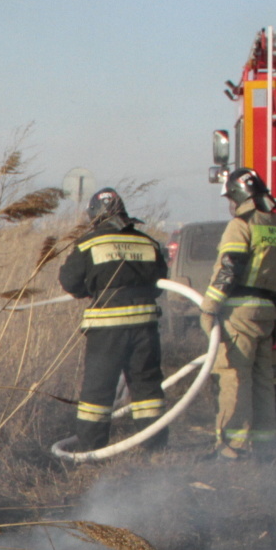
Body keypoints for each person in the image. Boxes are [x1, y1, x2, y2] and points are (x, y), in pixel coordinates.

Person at [58, 188, 168, 452]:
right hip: (145, 328)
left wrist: (93, 290)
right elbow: (159, 285)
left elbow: (70, 282)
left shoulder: (88, 243)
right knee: (146, 387)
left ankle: (91, 446)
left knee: (98, 388)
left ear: (95, 215)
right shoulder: (148, 242)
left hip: (106, 329)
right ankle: (154, 445)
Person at [200, 168, 276, 459]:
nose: (230, 203)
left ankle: (232, 447)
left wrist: (209, 307)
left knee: (234, 376)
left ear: (239, 195)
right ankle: (265, 443)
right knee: (262, 378)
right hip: (267, 313)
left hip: (239, 312)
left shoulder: (240, 225)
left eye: (231, 197)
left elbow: (229, 269)